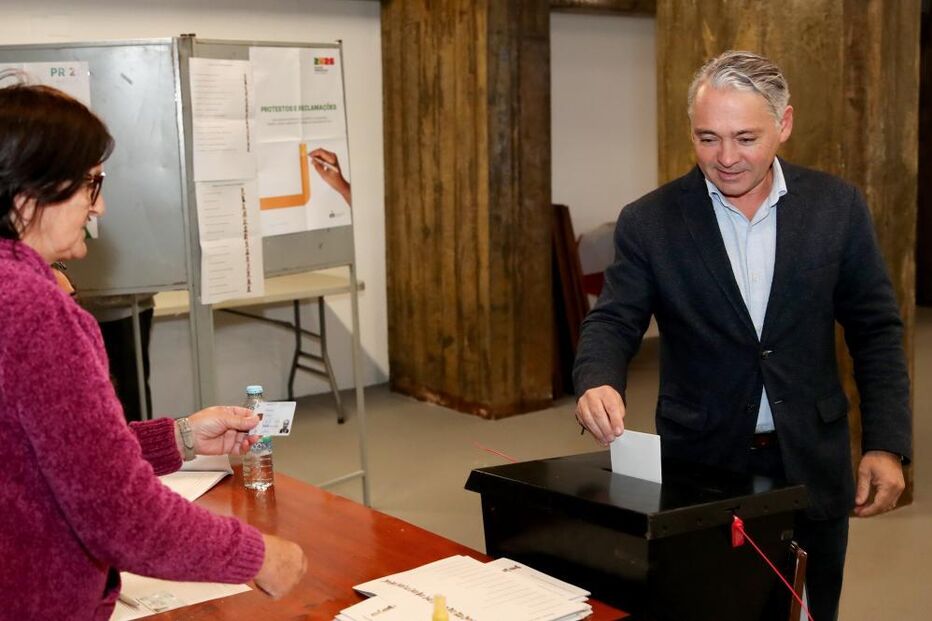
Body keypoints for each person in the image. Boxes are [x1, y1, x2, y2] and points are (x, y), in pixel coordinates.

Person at [573, 51, 910, 621]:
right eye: (708, 138)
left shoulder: (837, 208)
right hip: (701, 465)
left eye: (745, 137)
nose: (725, 158)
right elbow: (613, 318)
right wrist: (597, 380)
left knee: (808, 607)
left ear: (784, 124)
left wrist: (885, 442)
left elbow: (875, 331)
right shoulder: (650, 220)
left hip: (810, 457)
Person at [0, 77, 307, 619]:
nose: (100, 208)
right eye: (90, 185)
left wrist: (182, 437)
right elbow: (117, 512)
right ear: (29, 196)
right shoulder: (33, 311)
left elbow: (55, 455)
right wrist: (257, 556)